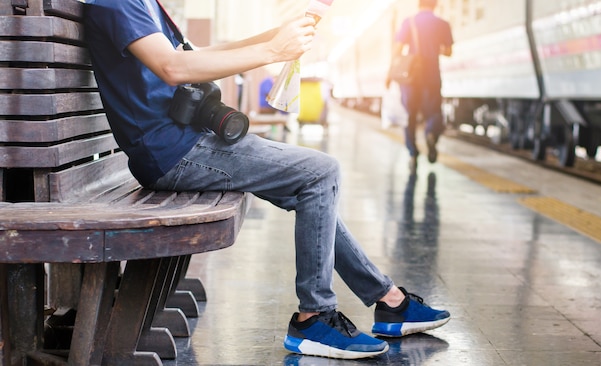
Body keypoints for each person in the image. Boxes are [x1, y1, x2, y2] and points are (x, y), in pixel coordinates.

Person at [83, 0, 450, 360]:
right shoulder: (117, 2)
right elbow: (173, 66)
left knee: (311, 185)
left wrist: (274, 38)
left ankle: (390, 302)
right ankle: (314, 318)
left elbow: (200, 52)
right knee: (320, 172)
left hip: (184, 142)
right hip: (174, 152)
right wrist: (273, 49)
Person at [387, 0, 453, 167]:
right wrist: (435, 48)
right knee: (434, 112)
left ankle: (413, 154)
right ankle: (431, 133)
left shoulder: (409, 22)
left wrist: (389, 72)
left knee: (409, 115)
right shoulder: (443, 24)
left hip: (411, 77)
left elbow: (397, 49)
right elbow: (449, 52)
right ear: (435, 4)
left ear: (419, 4)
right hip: (432, 75)